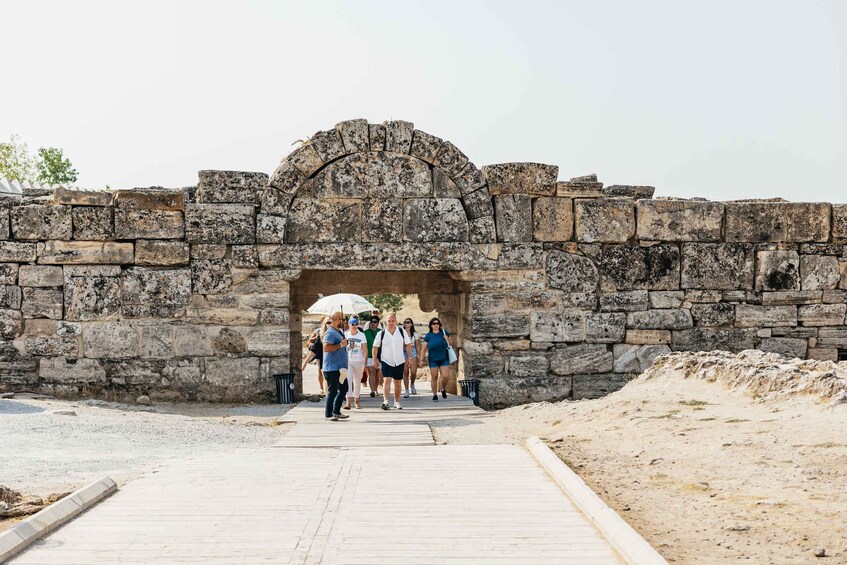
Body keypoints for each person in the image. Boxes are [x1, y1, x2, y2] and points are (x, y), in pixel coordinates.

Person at [372, 313, 412, 410]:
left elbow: (408, 345)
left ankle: (396, 402)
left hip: (399, 360)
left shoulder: (402, 332)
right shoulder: (381, 333)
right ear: (386, 322)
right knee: (387, 380)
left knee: (397, 381)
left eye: (393, 321)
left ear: (396, 321)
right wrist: (374, 360)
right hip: (386, 360)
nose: (391, 323)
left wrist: (410, 357)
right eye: (389, 321)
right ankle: (385, 401)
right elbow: (375, 347)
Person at [322, 311, 351, 421]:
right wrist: (340, 345)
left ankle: (336, 411)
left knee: (344, 389)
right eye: (343, 319)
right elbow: (326, 348)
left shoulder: (339, 332)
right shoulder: (330, 333)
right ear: (337, 320)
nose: (345, 322)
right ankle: (328, 414)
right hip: (332, 368)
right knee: (333, 391)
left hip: (341, 368)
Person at [420, 317, 452, 402]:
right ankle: (434, 395)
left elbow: (451, 343)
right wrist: (421, 360)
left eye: (437, 323)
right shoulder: (428, 335)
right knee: (434, 377)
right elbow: (423, 349)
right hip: (433, 359)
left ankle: (443, 389)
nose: (436, 325)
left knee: (445, 376)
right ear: (431, 325)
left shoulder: (444, 333)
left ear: (440, 325)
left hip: (444, 358)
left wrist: (447, 339)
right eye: (434, 324)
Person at [301, 316, 331, 396]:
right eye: (328, 323)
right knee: (326, 378)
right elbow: (313, 350)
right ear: (324, 324)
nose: (330, 324)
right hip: (323, 359)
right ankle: (328, 398)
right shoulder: (319, 335)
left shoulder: (338, 334)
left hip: (335, 361)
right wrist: (304, 363)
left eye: (332, 322)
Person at [344, 316, 367, 409]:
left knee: (357, 382)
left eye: (356, 324)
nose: (354, 326)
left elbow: (365, 350)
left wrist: (364, 363)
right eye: (352, 324)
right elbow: (343, 347)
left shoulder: (361, 335)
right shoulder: (345, 335)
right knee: (348, 381)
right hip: (348, 361)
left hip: (359, 361)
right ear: (349, 325)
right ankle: (348, 402)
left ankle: (356, 401)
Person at [402, 318, 421, 397]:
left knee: (413, 372)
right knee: (405, 372)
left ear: (411, 324)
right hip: (404, 351)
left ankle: (412, 384)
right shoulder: (401, 333)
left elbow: (418, 346)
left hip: (412, 351)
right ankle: (406, 390)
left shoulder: (415, 334)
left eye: (408, 322)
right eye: (405, 322)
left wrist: (420, 356)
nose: (406, 324)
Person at [364, 316, 382, 397]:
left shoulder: (381, 332)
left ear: (378, 323)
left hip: (379, 355)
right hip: (369, 355)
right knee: (372, 372)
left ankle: (376, 389)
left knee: (377, 373)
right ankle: (372, 390)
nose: (373, 324)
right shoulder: (366, 333)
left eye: (375, 322)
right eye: (371, 322)